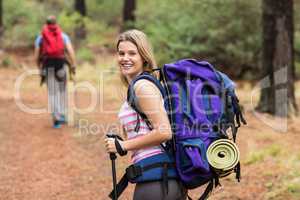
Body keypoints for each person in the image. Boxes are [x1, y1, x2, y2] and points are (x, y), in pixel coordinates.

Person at [104, 29, 187, 200]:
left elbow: (164, 132)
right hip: (160, 179)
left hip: (158, 181)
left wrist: (123, 146)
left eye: (132, 53)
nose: (125, 58)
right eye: (121, 53)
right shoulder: (138, 86)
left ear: (144, 57)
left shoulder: (143, 87)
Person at [34, 15, 76, 128]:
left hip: (48, 67)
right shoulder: (63, 36)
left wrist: (39, 68)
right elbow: (70, 51)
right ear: (56, 23)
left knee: (53, 93)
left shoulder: (41, 37)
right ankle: (62, 115)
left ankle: (56, 120)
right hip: (61, 65)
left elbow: (36, 55)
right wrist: (73, 65)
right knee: (62, 90)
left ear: (46, 24)